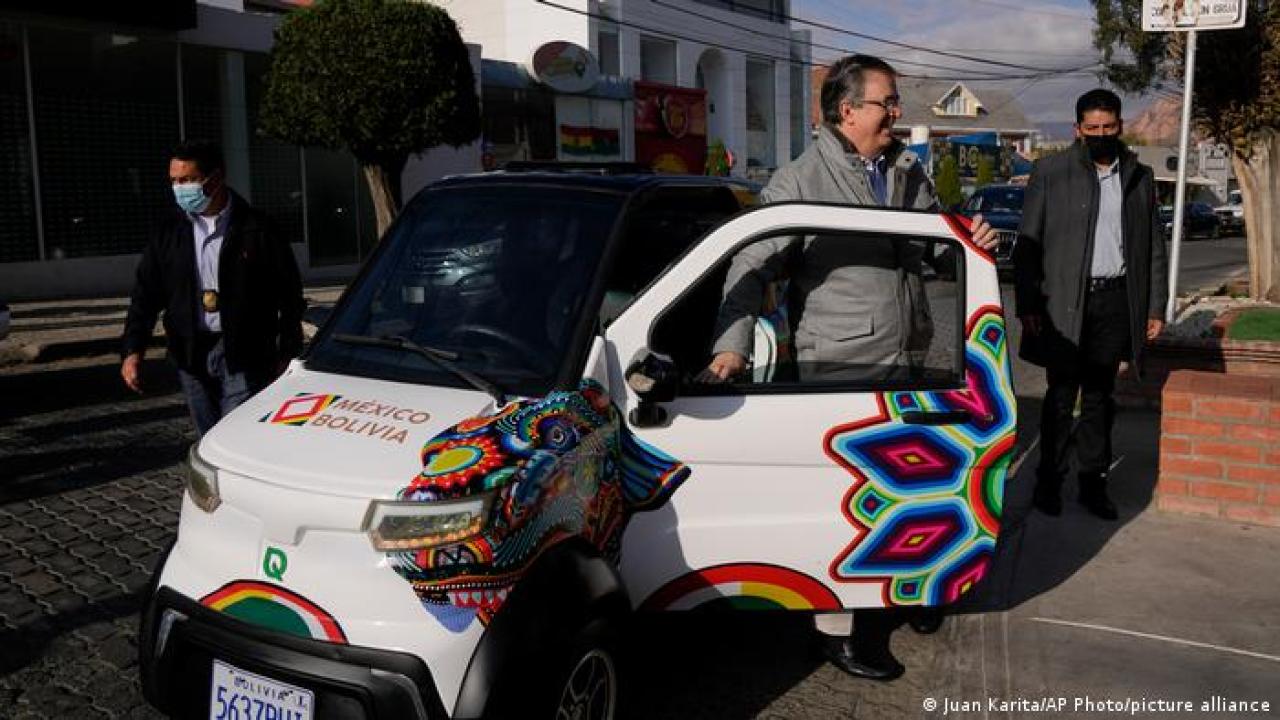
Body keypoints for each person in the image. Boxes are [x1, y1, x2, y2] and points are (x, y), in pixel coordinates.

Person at [697, 55, 998, 681]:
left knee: (913, 484)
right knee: (843, 500)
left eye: (894, 102)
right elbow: (749, 266)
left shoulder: (907, 171)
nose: (897, 112)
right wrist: (730, 347)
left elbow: (933, 251)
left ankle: (911, 588)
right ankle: (838, 633)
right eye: (887, 102)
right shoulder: (800, 179)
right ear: (847, 111)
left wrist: (970, 243)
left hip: (912, 355)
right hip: (839, 367)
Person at [1014, 89, 1167, 521]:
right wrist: (1028, 302)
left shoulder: (1139, 176)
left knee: (1100, 396)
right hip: (1063, 303)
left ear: (1121, 126)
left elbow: (1154, 246)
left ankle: (1092, 484)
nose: (1101, 135)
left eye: (1109, 128)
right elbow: (1026, 246)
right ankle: (1049, 481)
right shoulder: (1051, 172)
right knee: (1061, 396)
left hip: (1115, 301)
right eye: (1092, 128)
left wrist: (1155, 307)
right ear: (1078, 129)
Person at [121, 140, 305, 437]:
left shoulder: (257, 228)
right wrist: (133, 349)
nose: (180, 189)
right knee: (208, 436)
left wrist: (287, 349)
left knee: (233, 435)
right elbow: (146, 293)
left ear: (215, 178)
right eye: (174, 181)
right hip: (190, 351)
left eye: (188, 180)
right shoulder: (169, 231)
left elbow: (289, 293)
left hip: (243, 350)